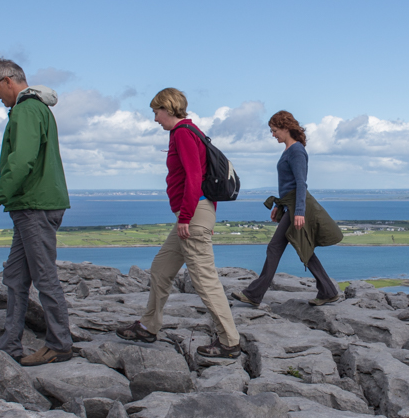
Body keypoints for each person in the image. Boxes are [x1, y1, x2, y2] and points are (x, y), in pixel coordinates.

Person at [117, 88, 241, 359]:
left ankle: (229, 342)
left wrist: (185, 217)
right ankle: (148, 326)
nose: (155, 119)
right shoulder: (188, 131)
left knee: (204, 280)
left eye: (156, 112)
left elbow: (194, 177)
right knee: (161, 268)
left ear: (168, 108)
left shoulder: (184, 133)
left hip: (192, 216)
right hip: (192, 214)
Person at [0, 58, 74, 367]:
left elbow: (22, 162)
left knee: (45, 278)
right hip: (29, 206)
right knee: (16, 278)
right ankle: (9, 346)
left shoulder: (27, 109)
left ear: (8, 81)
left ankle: (59, 344)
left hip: (35, 206)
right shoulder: (32, 109)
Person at [232, 111, 342, 307]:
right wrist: (278, 205)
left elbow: (301, 184)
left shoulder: (296, 151)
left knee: (275, 247)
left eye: (274, 130)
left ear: (286, 128)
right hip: (289, 204)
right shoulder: (289, 150)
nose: (273, 134)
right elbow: (288, 185)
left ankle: (254, 294)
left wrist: (299, 211)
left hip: (298, 206)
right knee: (299, 247)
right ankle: (328, 290)